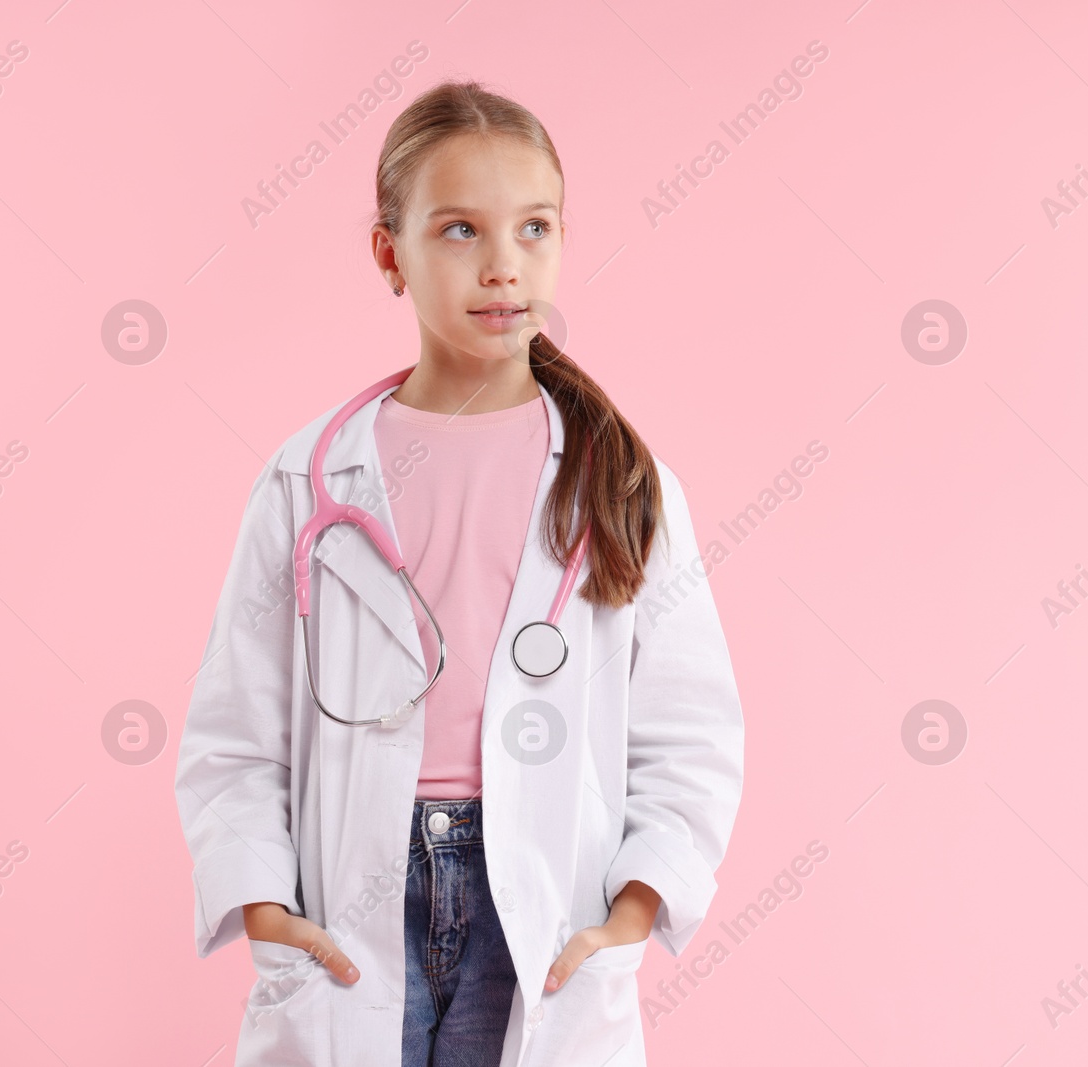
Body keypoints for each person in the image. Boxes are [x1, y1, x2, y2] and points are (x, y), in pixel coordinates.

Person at [173, 79, 744, 1067]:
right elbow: (235, 730)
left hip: (541, 902)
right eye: (458, 231)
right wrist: (264, 907)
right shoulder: (308, 480)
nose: (502, 265)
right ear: (388, 252)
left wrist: (630, 913)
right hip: (354, 894)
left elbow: (688, 728)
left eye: (533, 228)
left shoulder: (619, 480)